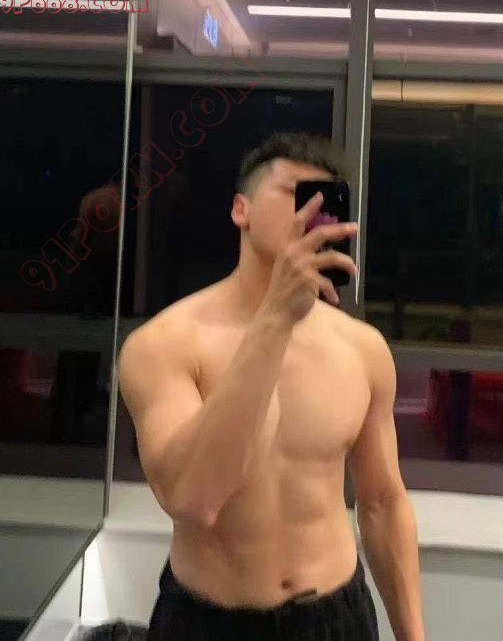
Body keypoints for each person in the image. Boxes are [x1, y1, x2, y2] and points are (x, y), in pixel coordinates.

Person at [118, 132, 425, 640]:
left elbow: (382, 503)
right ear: (241, 209)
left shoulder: (362, 349)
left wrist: (414, 637)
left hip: (335, 617)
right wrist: (275, 320)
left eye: (327, 202)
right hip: (210, 622)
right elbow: (193, 498)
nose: (311, 214)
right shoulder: (165, 345)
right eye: (296, 194)